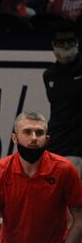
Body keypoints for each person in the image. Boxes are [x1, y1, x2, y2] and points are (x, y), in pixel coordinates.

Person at [0, 111, 82, 243]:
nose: (34, 138)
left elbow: (80, 219)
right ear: (14, 138)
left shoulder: (65, 169)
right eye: (27, 132)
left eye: (39, 133)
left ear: (47, 139)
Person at [43, 20, 82, 176]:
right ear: (53, 45)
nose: (66, 46)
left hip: (77, 149)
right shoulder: (49, 75)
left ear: (77, 43)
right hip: (55, 145)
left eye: (70, 41)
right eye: (61, 42)